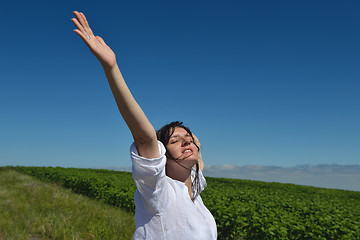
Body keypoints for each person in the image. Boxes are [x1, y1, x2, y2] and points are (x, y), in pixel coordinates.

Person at [72, 11, 217, 239]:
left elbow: (198, 155)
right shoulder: (158, 192)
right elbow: (145, 138)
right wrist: (111, 68)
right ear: (162, 157)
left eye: (188, 137)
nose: (186, 140)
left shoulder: (195, 186)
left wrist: (190, 142)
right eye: (174, 140)